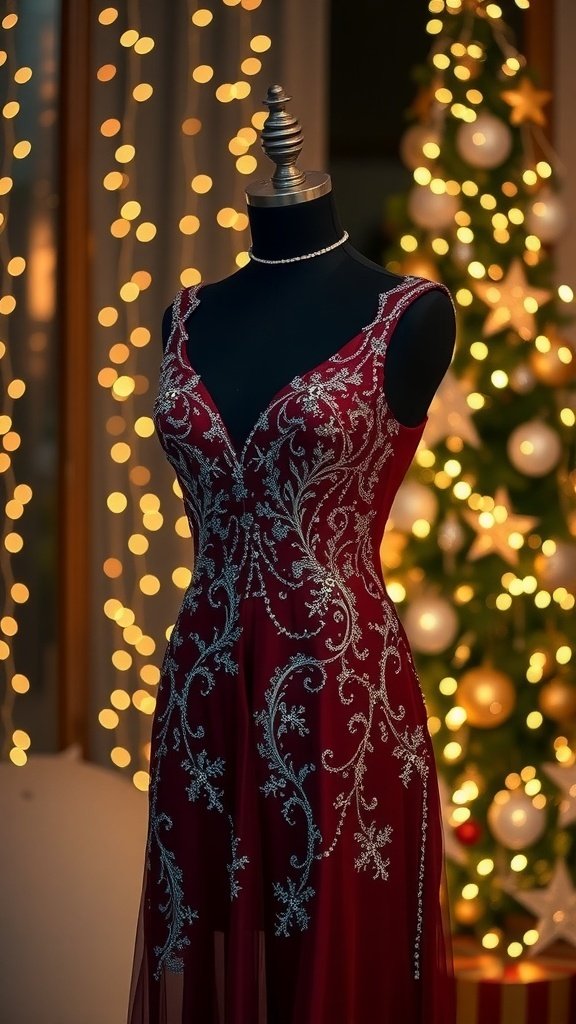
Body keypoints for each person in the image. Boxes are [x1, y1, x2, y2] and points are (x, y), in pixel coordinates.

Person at [127, 85, 456, 1024]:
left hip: (336, 693)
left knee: (332, 955)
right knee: (213, 947)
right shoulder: (186, 315)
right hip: (204, 685)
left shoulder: (410, 315)